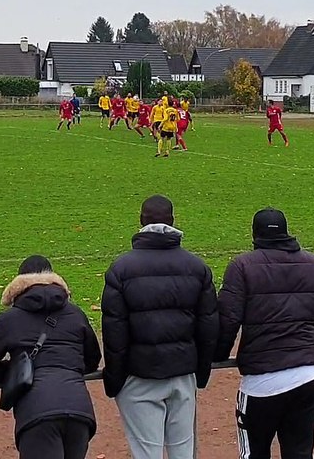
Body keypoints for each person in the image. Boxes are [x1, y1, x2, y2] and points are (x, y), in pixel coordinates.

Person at [215, 208, 314, 459]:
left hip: (261, 384)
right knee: (300, 453)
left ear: (255, 235)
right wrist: (312, 347)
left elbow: (228, 320)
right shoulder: (313, 263)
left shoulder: (241, 266)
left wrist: (218, 355)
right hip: (306, 378)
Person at [101, 195, 218, 459]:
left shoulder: (121, 269)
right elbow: (208, 327)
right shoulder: (197, 267)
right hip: (182, 374)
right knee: (183, 452)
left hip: (139, 376)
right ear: (173, 221)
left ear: (141, 221)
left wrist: (115, 379)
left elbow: (114, 333)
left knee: (146, 453)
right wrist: (199, 373)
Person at [0, 255, 102, 459]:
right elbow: (92, 359)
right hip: (79, 409)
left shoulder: (8, 319)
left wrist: (13, 370)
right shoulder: (75, 314)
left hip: (37, 412)